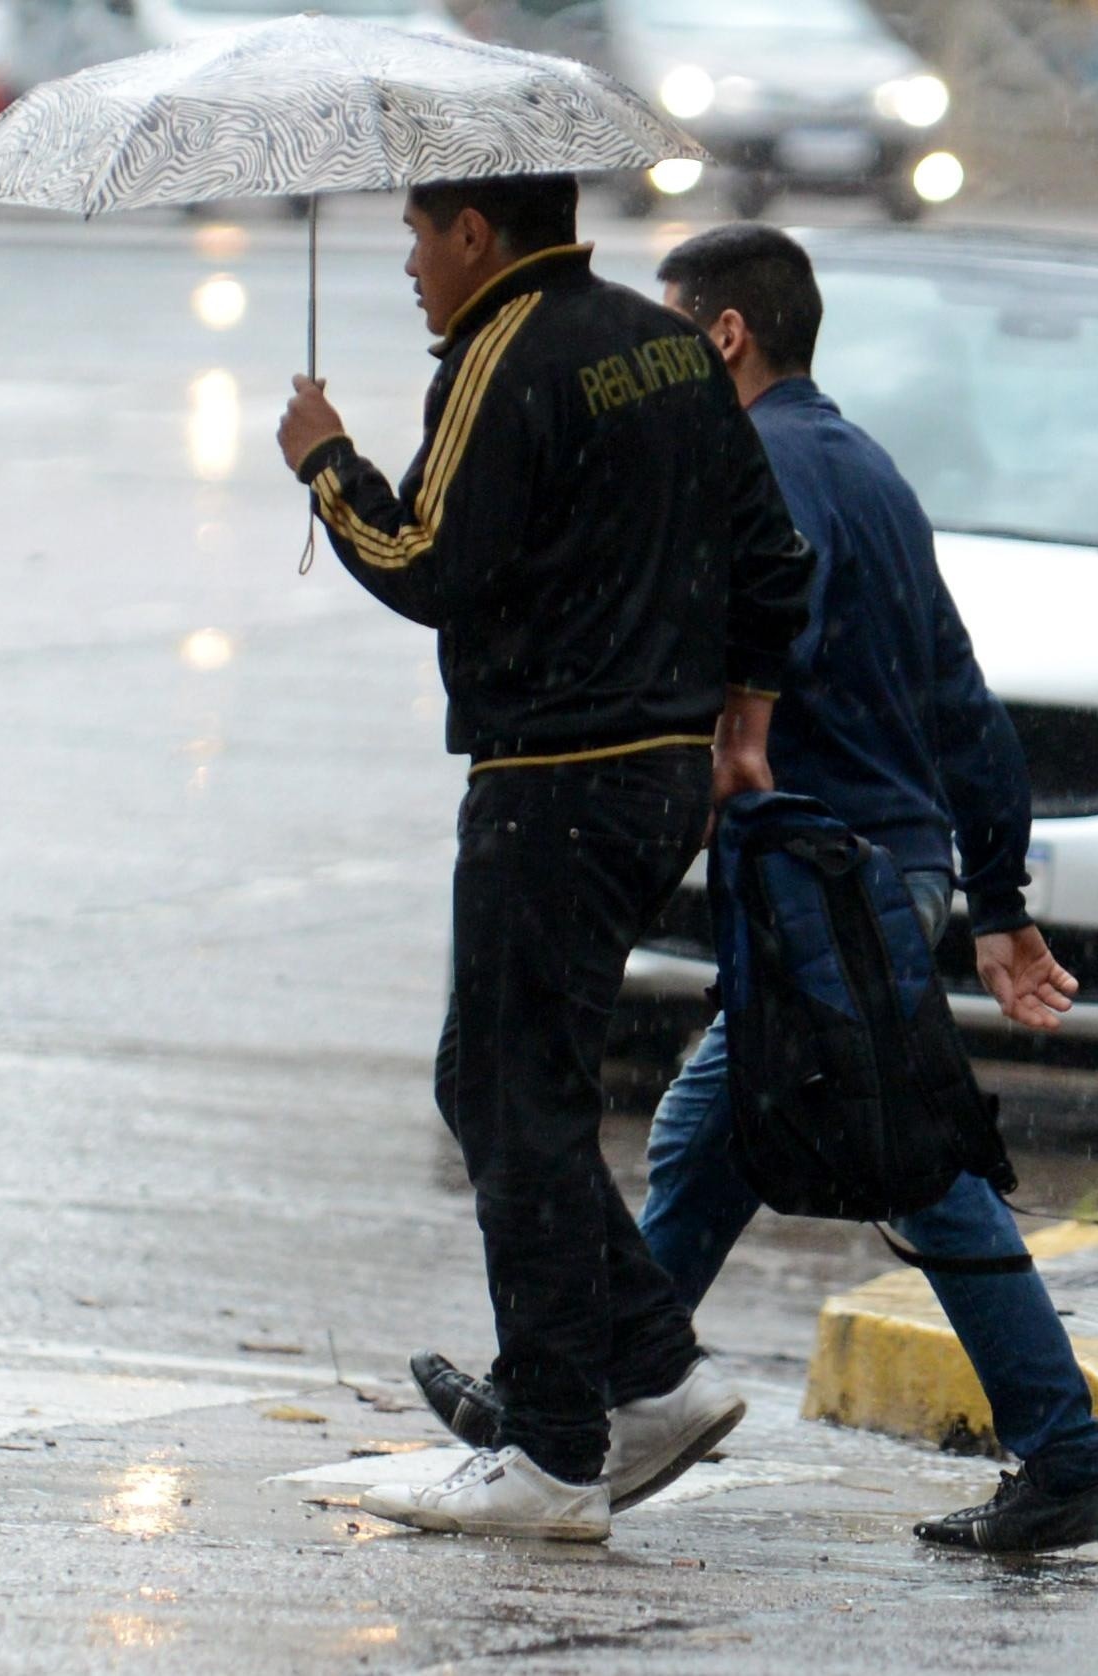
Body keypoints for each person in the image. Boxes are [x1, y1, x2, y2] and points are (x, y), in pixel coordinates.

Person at [410, 223, 1098, 1555]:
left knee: (922, 1175)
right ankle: (588, 1397)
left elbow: (734, 659)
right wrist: (992, 889)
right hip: (861, 874)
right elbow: (960, 697)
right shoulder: (864, 467)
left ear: (724, 336)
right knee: (704, 1145)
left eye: (669, 335)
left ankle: (1067, 1458)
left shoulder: (770, 473)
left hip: (827, 877)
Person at [274, 174, 814, 1545]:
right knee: (499, 1082)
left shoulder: (504, 357)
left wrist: (324, 462)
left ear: (475, 234)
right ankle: (645, 1372)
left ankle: (558, 1454)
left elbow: (425, 561)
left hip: (549, 782)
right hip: (653, 780)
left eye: (415, 234)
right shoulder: (661, 340)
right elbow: (774, 554)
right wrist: (738, 713)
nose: (406, 264)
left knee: (518, 1107)